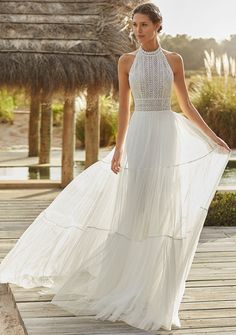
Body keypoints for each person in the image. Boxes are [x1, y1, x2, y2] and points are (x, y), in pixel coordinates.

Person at [0, 2, 231, 332]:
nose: (137, 31)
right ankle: (126, 283)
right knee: (134, 209)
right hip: (139, 135)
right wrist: (119, 149)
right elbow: (124, 109)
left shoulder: (174, 60)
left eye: (144, 26)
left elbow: (186, 104)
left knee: (162, 209)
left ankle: (156, 294)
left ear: (158, 27)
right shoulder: (126, 62)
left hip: (166, 136)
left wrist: (213, 137)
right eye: (135, 25)